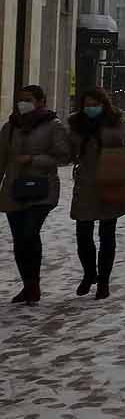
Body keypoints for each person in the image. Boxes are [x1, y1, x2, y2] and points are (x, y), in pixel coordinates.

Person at [0, 85, 74, 305]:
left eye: (28, 99)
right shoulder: (10, 126)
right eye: (20, 99)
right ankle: (28, 284)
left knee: (30, 233)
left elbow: (63, 156)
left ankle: (34, 285)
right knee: (19, 239)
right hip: (14, 188)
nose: (23, 103)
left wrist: (34, 160)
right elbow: (1, 157)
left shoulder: (53, 125)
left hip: (42, 188)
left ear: (41, 101)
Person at [67, 87, 125, 299]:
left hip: (111, 181)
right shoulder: (75, 123)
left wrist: (121, 156)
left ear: (103, 104)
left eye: (94, 104)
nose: (91, 108)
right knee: (83, 235)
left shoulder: (117, 120)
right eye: (87, 105)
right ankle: (89, 274)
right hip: (86, 183)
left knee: (107, 235)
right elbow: (68, 152)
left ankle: (104, 282)